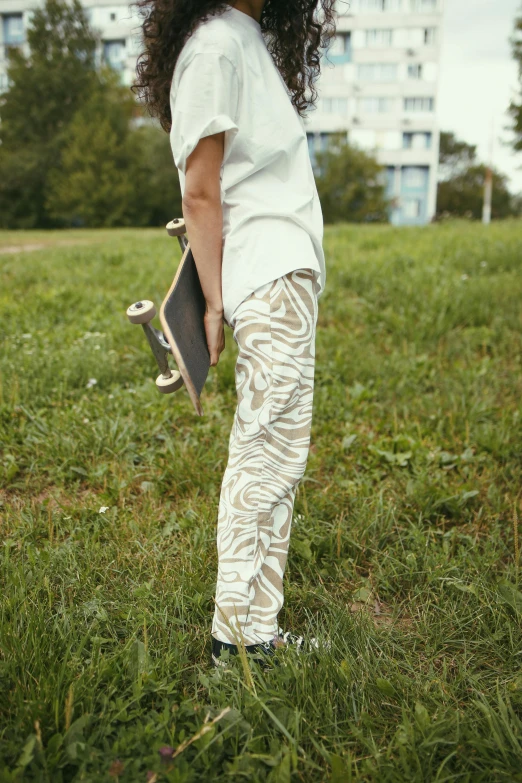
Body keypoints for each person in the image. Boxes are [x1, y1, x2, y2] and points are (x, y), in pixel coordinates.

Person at [133, 0, 335, 667]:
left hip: (285, 271)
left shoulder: (241, 39)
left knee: (281, 463)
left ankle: (259, 629)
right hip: (265, 273)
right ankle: (235, 641)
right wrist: (212, 303)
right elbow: (200, 189)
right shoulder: (216, 43)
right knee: (261, 458)